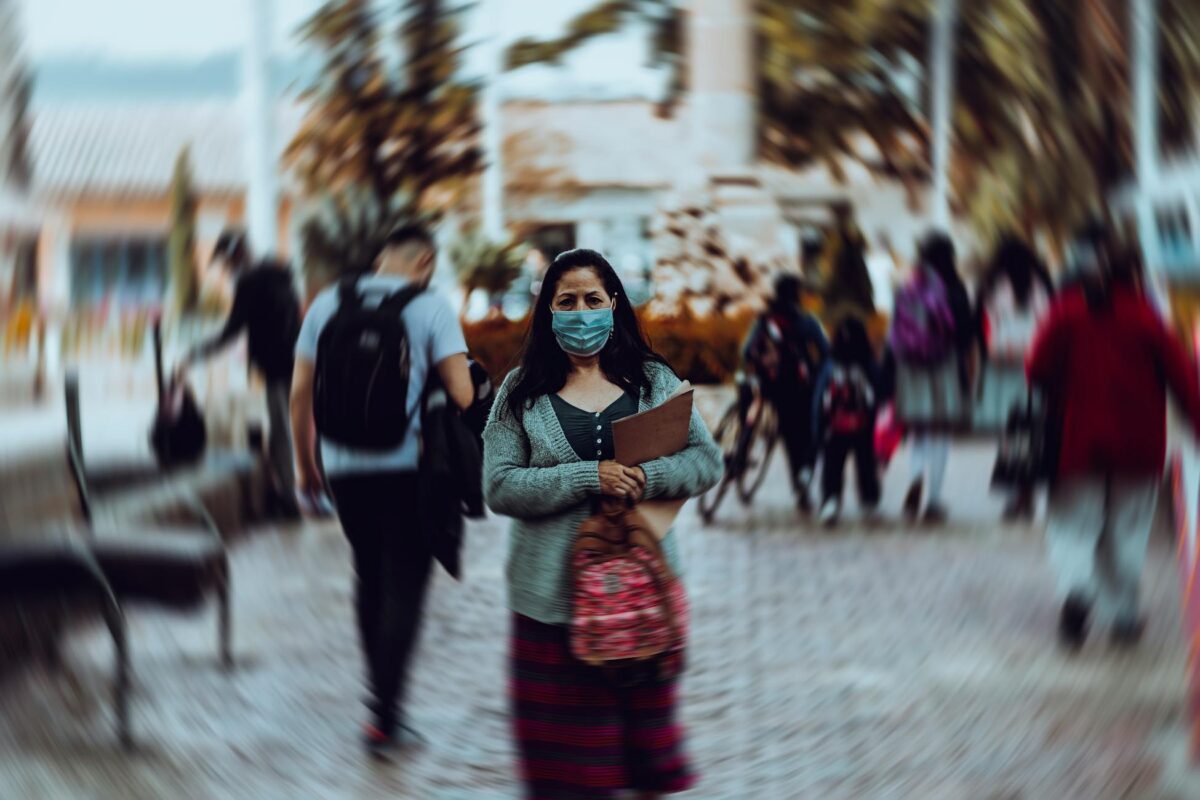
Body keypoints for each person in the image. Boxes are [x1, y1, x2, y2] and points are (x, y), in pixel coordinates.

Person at [482, 248, 721, 798]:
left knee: (644, 769)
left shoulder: (652, 380)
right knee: (568, 779)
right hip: (550, 610)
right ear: (547, 312)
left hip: (639, 604)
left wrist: (645, 476)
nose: (581, 312)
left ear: (614, 303)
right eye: (566, 301)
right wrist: (589, 476)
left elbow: (706, 461)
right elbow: (499, 487)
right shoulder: (519, 394)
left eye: (593, 299)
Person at [289, 225, 474, 756]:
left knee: (369, 576)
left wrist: (307, 468)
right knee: (405, 586)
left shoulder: (329, 302)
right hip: (406, 468)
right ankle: (386, 717)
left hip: (344, 468)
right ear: (426, 262)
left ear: (380, 256)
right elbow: (462, 392)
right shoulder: (430, 305)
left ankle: (381, 708)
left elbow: (301, 392)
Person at [1028, 233, 1200, 650]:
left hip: (1075, 438)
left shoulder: (1066, 312)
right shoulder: (1147, 318)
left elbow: (1035, 367)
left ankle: (1078, 589)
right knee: (1129, 527)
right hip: (1138, 442)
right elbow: (1183, 380)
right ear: (1136, 274)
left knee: (1073, 524)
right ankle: (1123, 615)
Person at [182, 230, 303, 518]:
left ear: (236, 255)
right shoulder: (281, 273)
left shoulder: (249, 282)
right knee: (303, 426)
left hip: (275, 365)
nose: (226, 270)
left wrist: (196, 354)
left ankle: (288, 498)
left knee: (280, 432)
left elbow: (232, 330)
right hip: (300, 360)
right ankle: (314, 491)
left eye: (225, 263)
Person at [891, 232, 973, 524]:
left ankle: (915, 477)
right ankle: (934, 500)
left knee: (919, 429)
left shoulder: (909, 283)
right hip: (944, 362)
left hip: (911, 365)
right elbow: (965, 330)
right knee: (940, 429)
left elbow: (895, 327)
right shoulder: (954, 286)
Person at [973, 237, 1055, 519]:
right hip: (1034, 361)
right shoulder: (1040, 283)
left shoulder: (993, 284)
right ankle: (1025, 491)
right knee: (1028, 427)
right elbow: (1051, 318)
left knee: (1011, 430)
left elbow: (980, 322)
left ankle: (1018, 493)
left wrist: (984, 354)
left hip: (1002, 362)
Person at [742, 273, 830, 510]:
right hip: (797, 387)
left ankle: (741, 450)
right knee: (797, 437)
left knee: (750, 401)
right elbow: (825, 352)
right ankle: (801, 484)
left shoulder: (765, 319)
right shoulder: (805, 321)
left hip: (766, 384)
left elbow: (747, 351)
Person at [815, 316, 882, 527]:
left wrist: (817, 428)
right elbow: (880, 390)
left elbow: (819, 399)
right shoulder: (868, 364)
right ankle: (869, 500)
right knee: (866, 462)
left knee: (833, 463)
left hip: (836, 423)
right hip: (863, 423)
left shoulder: (830, 365)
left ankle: (831, 500)